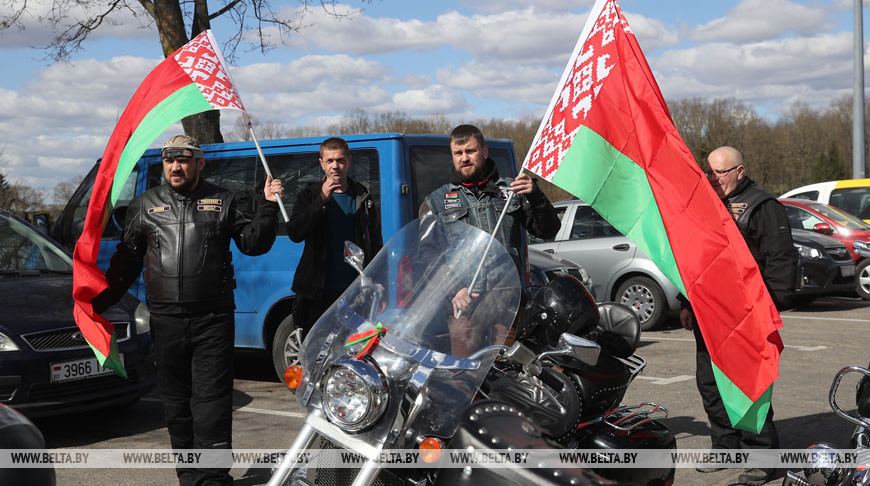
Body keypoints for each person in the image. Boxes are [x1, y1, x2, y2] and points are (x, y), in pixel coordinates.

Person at [93, 134, 284, 486]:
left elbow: (254, 243)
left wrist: (269, 205)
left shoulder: (225, 200)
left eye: (183, 160)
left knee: (210, 401)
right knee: (176, 403)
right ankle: (189, 474)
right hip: (165, 319)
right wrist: (96, 302)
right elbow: (126, 262)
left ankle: (212, 476)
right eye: (169, 160)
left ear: (200, 163)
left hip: (213, 318)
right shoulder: (143, 205)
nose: (175, 166)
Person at [681, 146, 797, 486]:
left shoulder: (763, 206)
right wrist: (685, 301)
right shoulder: (708, 204)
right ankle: (726, 447)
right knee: (711, 385)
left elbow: (781, 260)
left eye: (721, 173)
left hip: (748, 314)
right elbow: (697, 259)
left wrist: (771, 308)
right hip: (709, 313)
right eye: (710, 173)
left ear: (740, 171)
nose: (714, 179)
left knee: (748, 387)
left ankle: (763, 457)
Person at [419, 124, 561, 349]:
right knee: (464, 378)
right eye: (458, 153)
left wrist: (536, 196)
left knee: (507, 375)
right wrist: (454, 290)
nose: (464, 158)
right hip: (464, 310)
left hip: (507, 306)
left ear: (484, 152)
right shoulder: (435, 201)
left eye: (470, 151)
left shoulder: (511, 191)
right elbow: (428, 257)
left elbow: (548, 231)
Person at [286, 137, 382, 338]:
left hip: (355, 294)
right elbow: (295, 232)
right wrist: (321, 199)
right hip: (317, 294)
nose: (335, 166)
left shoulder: (363, 197)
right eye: (329, 161)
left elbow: (375, 244)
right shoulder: (309, 195)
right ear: (321, 163)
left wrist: (379, 285)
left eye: (340, 160)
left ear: (349, 160)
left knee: (351, 354)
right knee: (316, 354)